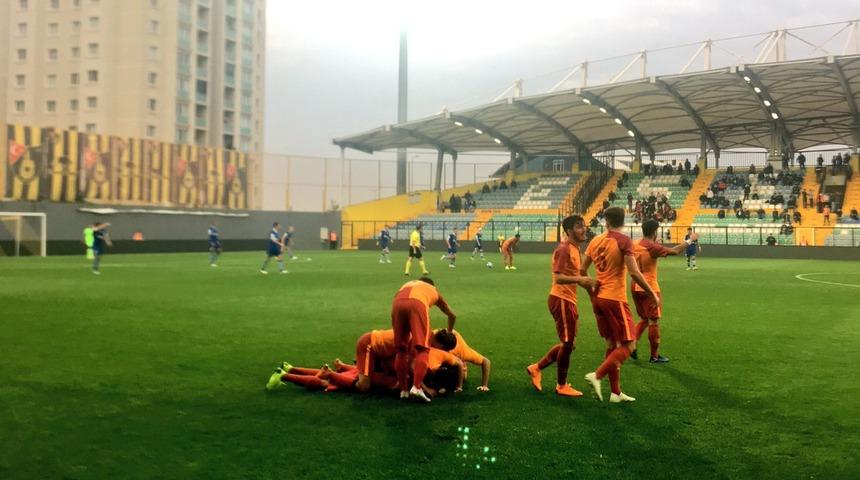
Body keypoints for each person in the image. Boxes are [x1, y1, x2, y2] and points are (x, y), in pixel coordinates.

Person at [580, 207, 659, 403]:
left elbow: (582, 270)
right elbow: (634, 272)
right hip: (615, 299)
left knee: (611, 344)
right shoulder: (624, 241)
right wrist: (652, 294)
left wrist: (591, 292)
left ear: (606, 221)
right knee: (629, 344)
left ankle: (615, 393)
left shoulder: (595, 241)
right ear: (623, 221)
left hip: (599, 298)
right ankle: (597, 375)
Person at [527, 215, 599, 398]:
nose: (583, 229)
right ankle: (561, 385)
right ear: (568, 231)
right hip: (560, 299)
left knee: (570, 344)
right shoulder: (564, 249)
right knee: (567, 344)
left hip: (568, 300)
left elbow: (576, 276)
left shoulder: (576, 249)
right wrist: (581, 279)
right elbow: (558, 277)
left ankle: (536, 368)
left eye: (584, 226)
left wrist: (592, 288)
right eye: (578, 226)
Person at [630, 220, 695, 364]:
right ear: (655, 231)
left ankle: (631, 345)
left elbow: (648, 250)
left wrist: (656, 243)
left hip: (635, 285)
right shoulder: (652, 247)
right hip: (649, 287)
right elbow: (676, 251)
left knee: (644, 319)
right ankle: (654, 356)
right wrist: (691, 240)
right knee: (653, 320)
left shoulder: (635, 244)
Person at [391, 277, 457, 402]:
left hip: (397, 303)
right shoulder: (433, 290)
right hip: (417, 304)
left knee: (400, 349)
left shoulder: (409, 283)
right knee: (423, 349)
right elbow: (452, 315)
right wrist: (449, 331)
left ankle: (403, 390)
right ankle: (416, 387)